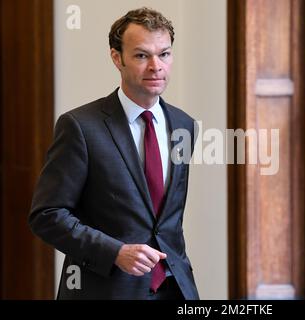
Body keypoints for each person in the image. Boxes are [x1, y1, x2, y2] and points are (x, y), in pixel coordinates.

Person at [28, 7, 199, 300]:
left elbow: (166, 221)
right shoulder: (80, 127)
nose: (156, 66)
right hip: (104, 290)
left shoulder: (184, 125)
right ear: (117, 58)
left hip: (176, 290)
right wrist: (115, 252)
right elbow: (47, 215)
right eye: (142, 55)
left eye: (165, 54)